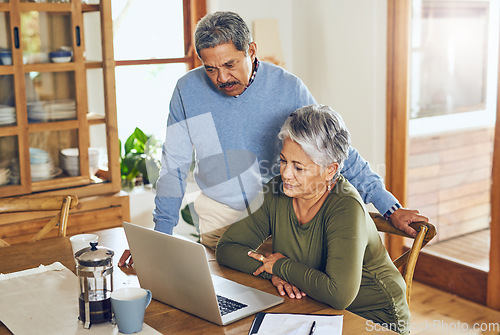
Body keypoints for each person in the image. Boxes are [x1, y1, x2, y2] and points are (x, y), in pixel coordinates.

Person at [119, 11, 427, 265]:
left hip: (281, 217)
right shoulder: (187, 91)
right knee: (228, 307)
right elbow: (173, 167)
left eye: (230, 65)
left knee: (288, 305)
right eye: (210, 69)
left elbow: (335, 151)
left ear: (251, 50)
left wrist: (389, 206)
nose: (222, 78)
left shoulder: (288, 89)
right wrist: (158, 239)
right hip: (220, 223)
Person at [216, 105, 410, 335]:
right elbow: (227, 249)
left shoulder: (346, 207)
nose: (286, 174)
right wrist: (273, 272)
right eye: (283, 161)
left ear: (330, 170)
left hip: (373, 318)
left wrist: (280, 265)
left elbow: (339, 295)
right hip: (314, 305)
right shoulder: (276, 190)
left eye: (298, 167)